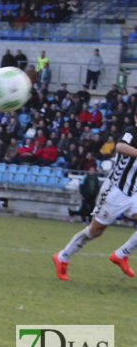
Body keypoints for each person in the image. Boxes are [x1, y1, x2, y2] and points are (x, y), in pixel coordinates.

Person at [53, 119, 137, 280]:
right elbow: (120, 147)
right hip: (115, 190)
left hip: (133, 193)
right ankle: (62, 257)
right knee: (95, 231)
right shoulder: (132, 132)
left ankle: (121, 254)